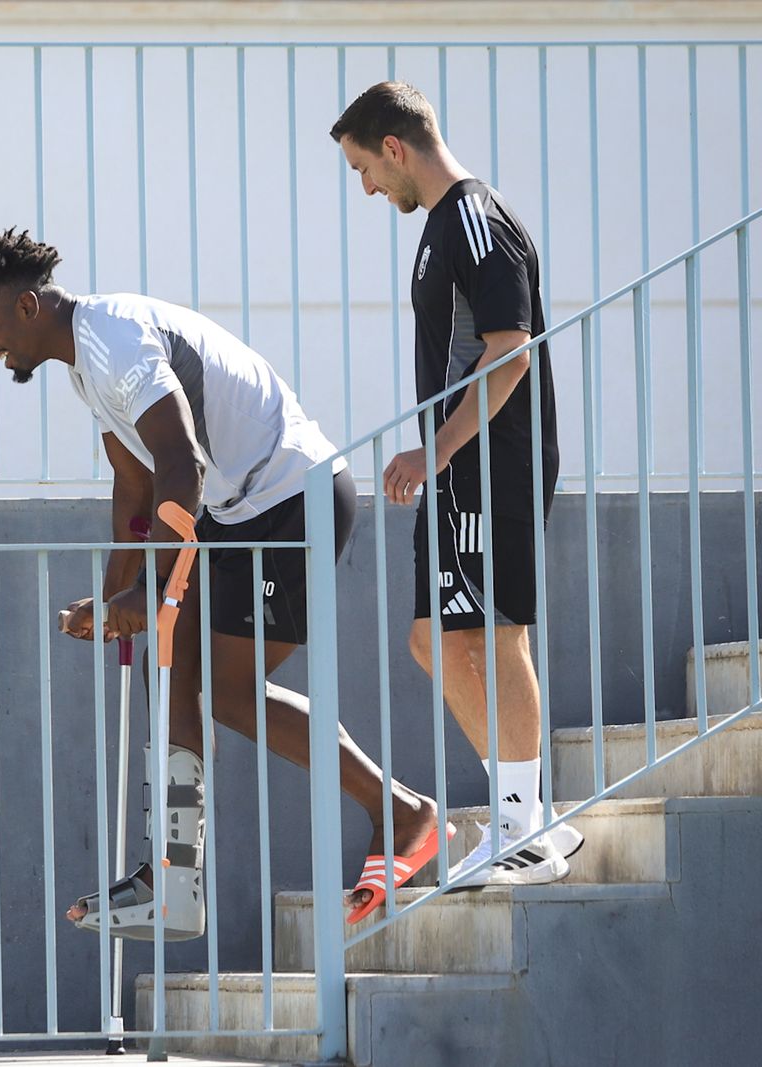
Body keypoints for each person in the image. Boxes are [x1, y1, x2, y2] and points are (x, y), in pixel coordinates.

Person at [0, 229, 443, 937]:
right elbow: (136, 486)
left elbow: (180, 463)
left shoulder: (115, 344)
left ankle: (403, 812)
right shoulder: (86, 364)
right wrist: (114, 596)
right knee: (176, 662)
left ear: (27, 306)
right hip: (239, 511)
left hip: (293, 498)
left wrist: (151, 591)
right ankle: (174, 880)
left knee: (226, 688)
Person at [331, 82, 583, 885]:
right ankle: (526, 814)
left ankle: (524, 830)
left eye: (365, 168)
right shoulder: (442, 227)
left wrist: (434, 452)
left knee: (493, 633)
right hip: (458, 466)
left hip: (488, 462)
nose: (367, 186)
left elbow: (511, 350)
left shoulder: (475, 219)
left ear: (395, 148)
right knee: (434, 638)